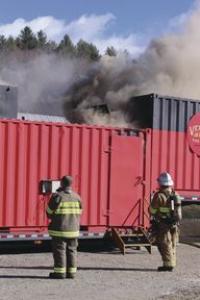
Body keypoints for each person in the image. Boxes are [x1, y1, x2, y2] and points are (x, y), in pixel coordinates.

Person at [46, 175, 82, 279]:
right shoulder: (77, 197)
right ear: (71, 184)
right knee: (72, 250)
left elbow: (49, 213)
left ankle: (60, 272)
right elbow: (80, 212)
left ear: (61, 183)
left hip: (60, 229)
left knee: (60, 250)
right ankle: (71, 273)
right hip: (74, 230)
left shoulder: (57, 196)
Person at [149, 172, 182, 272]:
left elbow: (152, 211)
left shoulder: (159, 196)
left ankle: (168, 265)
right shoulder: (175, 194)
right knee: (172, 243)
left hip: (163, 224)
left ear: (161, 183)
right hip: (174, 223)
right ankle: (172, 262)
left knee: (164, 243)